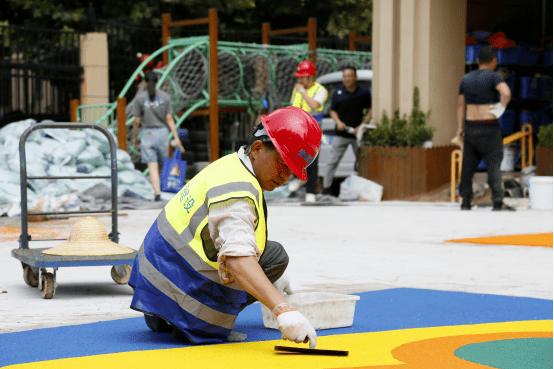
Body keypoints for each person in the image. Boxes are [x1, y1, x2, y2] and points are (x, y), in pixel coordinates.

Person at [128, 106, 321, 348]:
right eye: (282, 164)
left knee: (271, 254)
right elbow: (237, 259)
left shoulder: (232, 163)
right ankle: (200, 324)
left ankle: (163, 315)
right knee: (271, 259)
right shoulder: (238, 189)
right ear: (259, 148)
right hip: (176, 282)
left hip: (153, 276)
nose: (285, 177)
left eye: (292, 171)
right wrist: (283, 310)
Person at [456, 45, 511, 211]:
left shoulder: (466, 78)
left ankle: (465, 202)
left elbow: (460, 106)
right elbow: (506, 93)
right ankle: (497, 203)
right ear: (494, 61)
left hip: (471, 127)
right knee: (493, 166)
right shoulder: (494, 76)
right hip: (489, 128)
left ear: (478, 61)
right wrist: (501, 107)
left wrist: (460, 128)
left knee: (467, 167)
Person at [132, 71, 185, 202]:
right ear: (157, 82)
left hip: (148, 134)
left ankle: (157, 193)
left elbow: (137, 121)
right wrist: (176, 137)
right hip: (162, 134)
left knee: (152, 165)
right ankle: (163, 188)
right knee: (162, 164)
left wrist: (134, 137)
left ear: (144, 82)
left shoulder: (139, 99)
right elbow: (169, 118)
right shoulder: (165, 97)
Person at [322, 65, 372, 195]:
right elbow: (332, 111)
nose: (347, 78)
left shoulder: (364, 92)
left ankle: (365, 189)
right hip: (341, 133)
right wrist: (338, 123)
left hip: (358, 135)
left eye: (350, 76)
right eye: (345, 76)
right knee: (332, 162)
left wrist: (362, 126)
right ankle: (326, 188)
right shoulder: (338, 92)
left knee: (363, 162)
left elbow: (371, 110)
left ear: (355, 77)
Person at [288, 60, 328, 203]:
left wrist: (302, 91)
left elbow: (314, 105)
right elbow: (294, 107)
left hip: (313, 131)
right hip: (298, 130)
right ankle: (300, 179)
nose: (299, 80)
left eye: (302, 77)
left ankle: (310, 192)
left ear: (311, 77)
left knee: (312, 161)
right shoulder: (297, 89)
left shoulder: (320, 90)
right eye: (298, 77)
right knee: (294, 157)